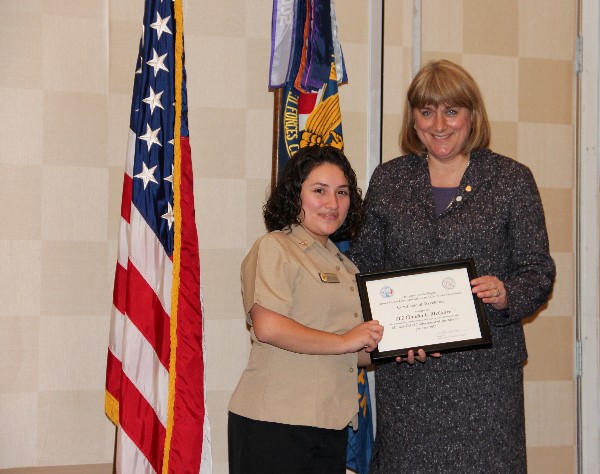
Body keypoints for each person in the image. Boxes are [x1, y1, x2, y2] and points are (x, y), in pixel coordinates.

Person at [347, 60, 556, 473]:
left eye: (451, 111)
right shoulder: (389, 180)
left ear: (472, 115)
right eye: (426, 112)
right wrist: (385, 334)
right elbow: (363, 267)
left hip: (486, 381)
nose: (438, 124)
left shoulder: (511, 179)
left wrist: (507, 292)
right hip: (409, 376)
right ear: (413, 119)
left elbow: (538, 268)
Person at [228, 145, 384, 474]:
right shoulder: (275, 247)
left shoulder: (348, 267)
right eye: (319, 191)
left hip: (331, 422)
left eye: (342, 192)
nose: (332, 203)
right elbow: (268, 327)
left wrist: (396, 349)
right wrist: (346, 341)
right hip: (274, 421)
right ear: (294, 195)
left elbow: (352, 354)